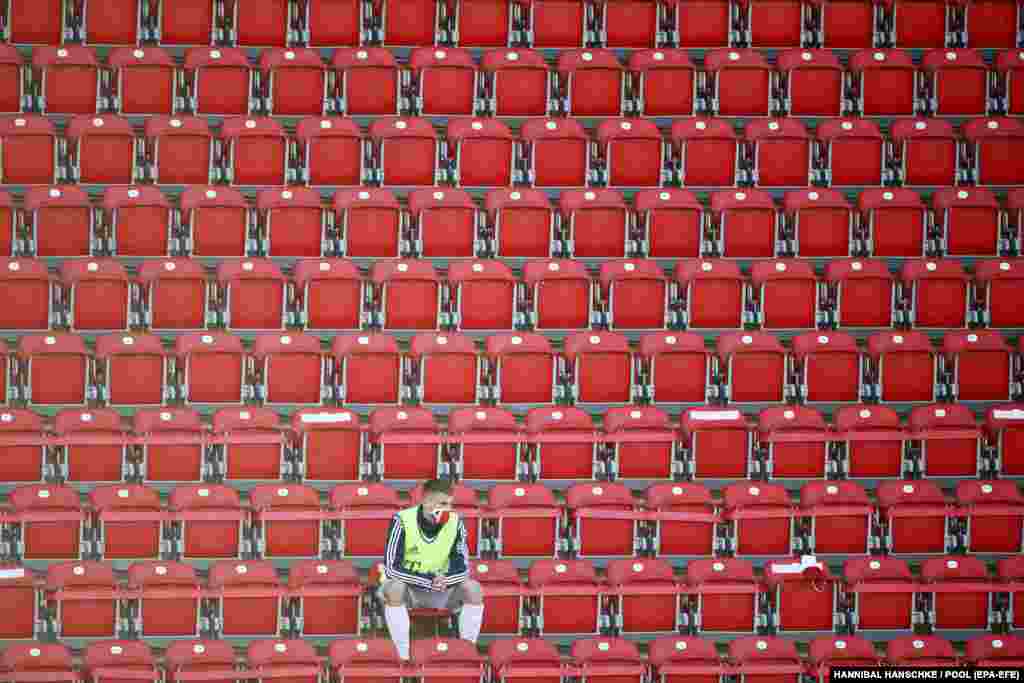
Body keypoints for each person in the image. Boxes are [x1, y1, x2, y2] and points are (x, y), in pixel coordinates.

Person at [379, 478, 484, 660]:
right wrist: (427, 581)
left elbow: (463, 566)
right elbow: (391, 569)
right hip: (409, 588)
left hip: (442, 589)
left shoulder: (455, 522)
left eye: (450, 504)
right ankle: (402, 658)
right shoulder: (402, 519)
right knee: (394, 587)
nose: (448, 509)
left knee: (473, 588)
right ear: (427, 502)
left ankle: (468, 654)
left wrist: (445, 580)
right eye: (443, 503)